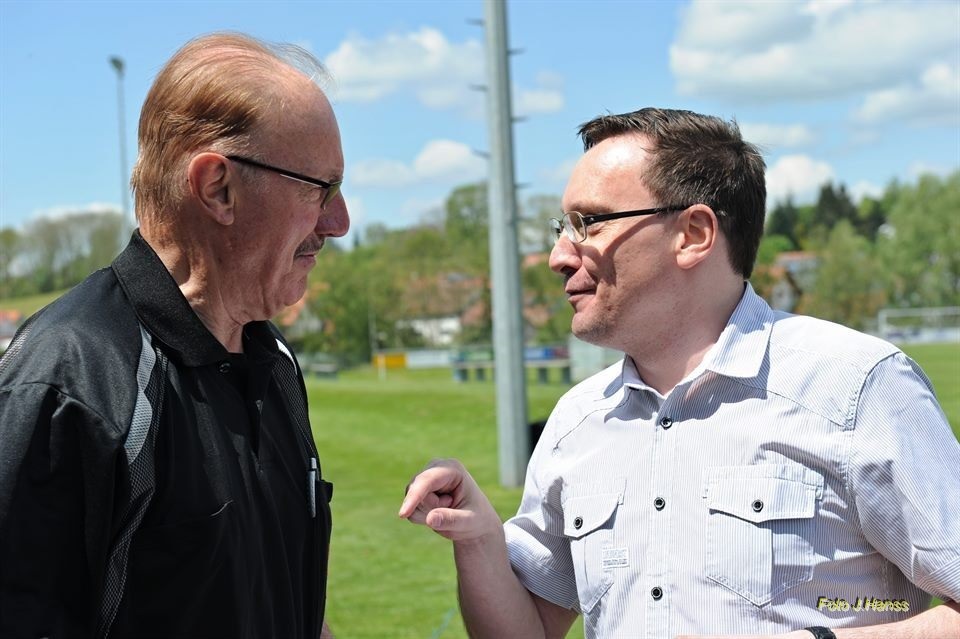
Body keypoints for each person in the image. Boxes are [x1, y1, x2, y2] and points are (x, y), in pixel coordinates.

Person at [400, 108, 960, 638]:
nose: (559, 256)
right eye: (561, 228)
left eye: (588, 223)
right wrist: (478, 537)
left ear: (693, 235)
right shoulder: (577, 421)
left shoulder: (856, 387)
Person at [0, 32, 347, 638]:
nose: (338, 222)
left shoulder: (273, 361)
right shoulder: (70, 383)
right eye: (321, 188)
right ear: (217, 188)